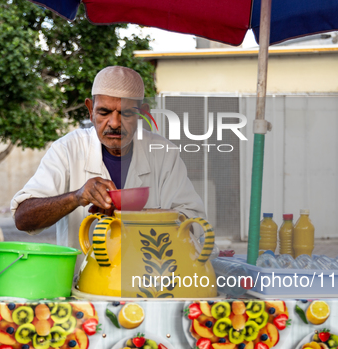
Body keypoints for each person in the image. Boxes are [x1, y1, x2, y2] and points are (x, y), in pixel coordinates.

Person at [12, 66, 205, 269]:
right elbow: (23, 218)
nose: (114, 123)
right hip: (82, 288)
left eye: (127, 114)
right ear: (90, 109)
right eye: (104, 112)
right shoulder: (67, 149)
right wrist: (76, 197)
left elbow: (194, 223)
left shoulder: (164, 153)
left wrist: (143, 216)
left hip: (149, 284)